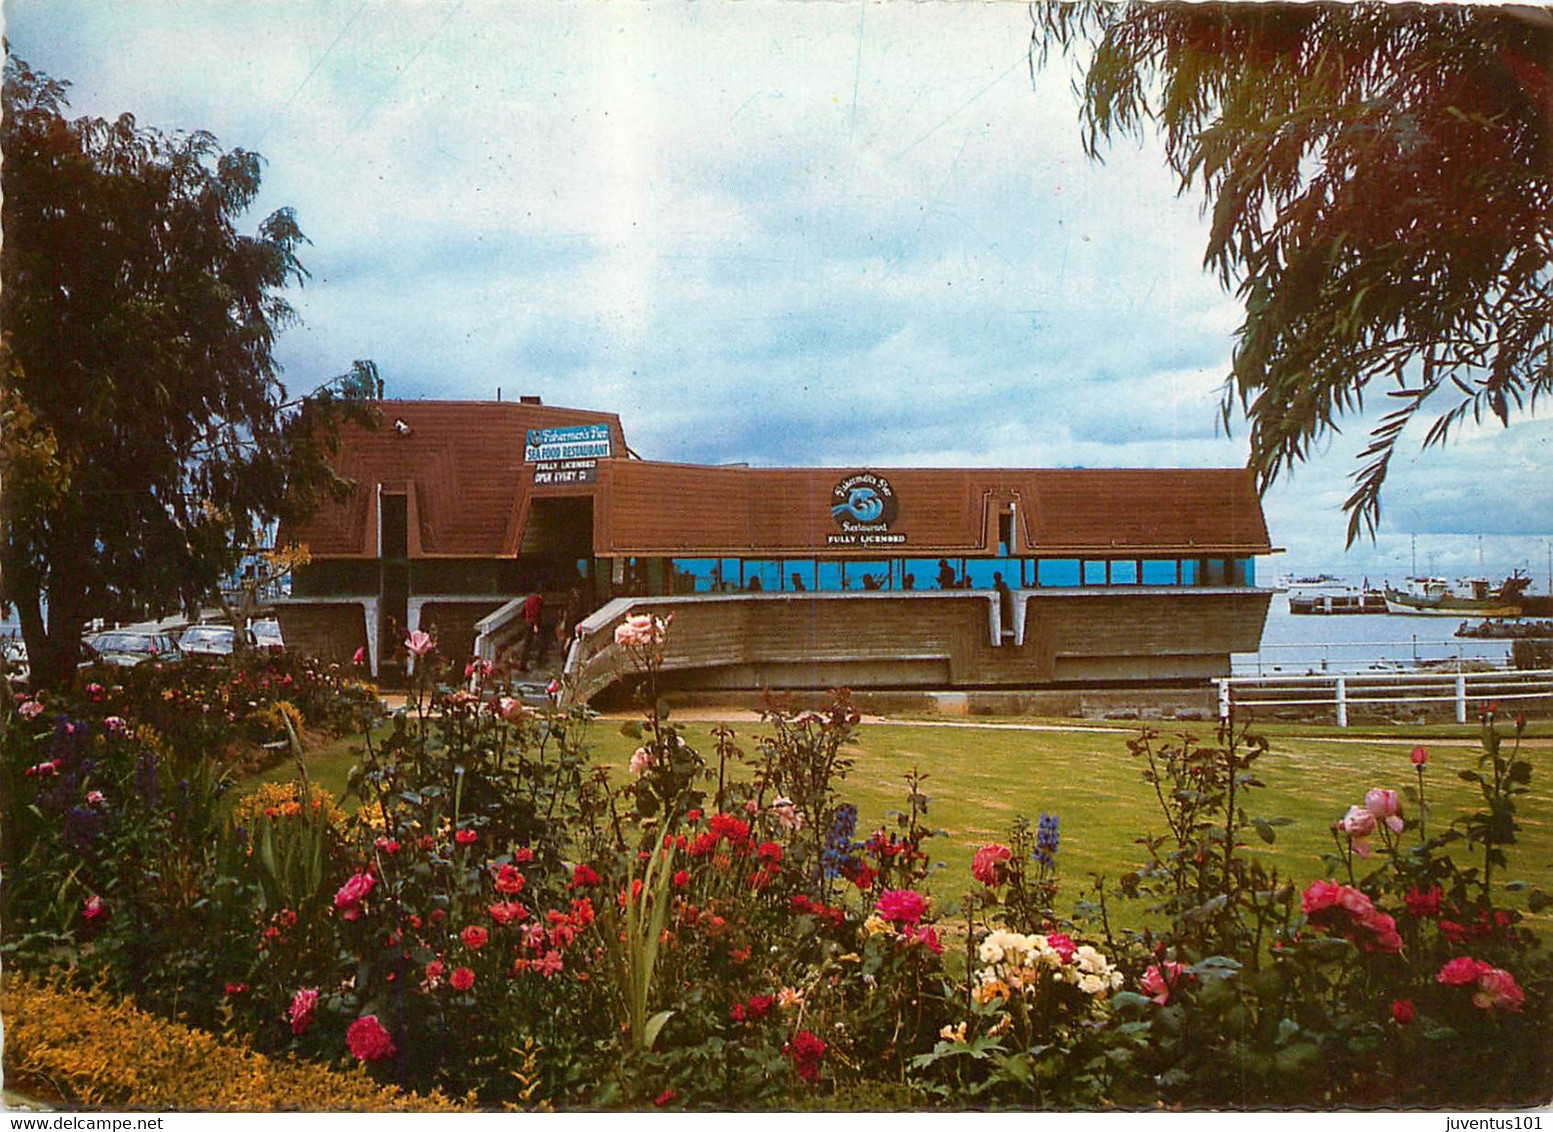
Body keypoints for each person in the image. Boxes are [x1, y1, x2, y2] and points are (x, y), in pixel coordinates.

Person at [518, 592, 544, 672]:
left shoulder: (528, 600)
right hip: (533, 623)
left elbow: (524, 611)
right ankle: (539, 660)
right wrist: (535, 624)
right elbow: (536, 612)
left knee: (526, 644)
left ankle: (522, 663)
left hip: (527, 622)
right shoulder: (537, 600)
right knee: (540, 642)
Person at [994, 571, 1014, 635]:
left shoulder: (1002, 585)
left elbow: (1004, 594)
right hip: (1002, 603)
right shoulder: (1000, 585)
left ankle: (1006, 626)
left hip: (1003, 603)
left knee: (1004, 615)